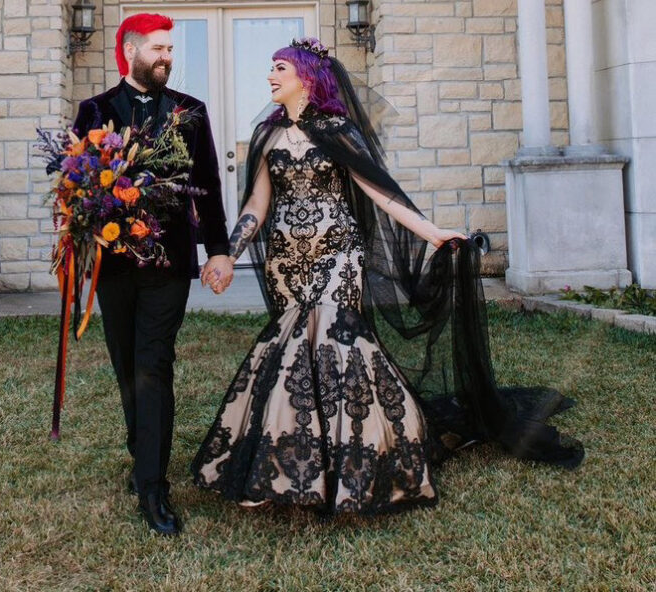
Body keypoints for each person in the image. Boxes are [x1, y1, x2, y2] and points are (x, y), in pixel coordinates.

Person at [192, 37, 583, 516]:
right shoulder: (268, 137)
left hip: (337, 255)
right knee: (291, 350)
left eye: (279, 69)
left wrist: (433, 232)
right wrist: (231, 253)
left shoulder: (338, 131)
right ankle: (293, 467)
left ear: (307, 79)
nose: (270, 77)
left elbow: (382, 193)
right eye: (271, 70)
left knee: (336, 346)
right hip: (286, 262)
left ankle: (362, 463)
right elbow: (257, 204)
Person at [73, 13, 229, 536]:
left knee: (153, 364)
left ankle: (153, 486)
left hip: (169, 263)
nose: (166, 56)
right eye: (158, 48)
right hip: (114, 266)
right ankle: (142, 454)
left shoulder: (191, 112)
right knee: (125, 364)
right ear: (131, 50)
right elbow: (75, 190)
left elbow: (207, 186)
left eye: (170, 49)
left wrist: (219, 251)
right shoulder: (95, 111)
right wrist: (75, 234)